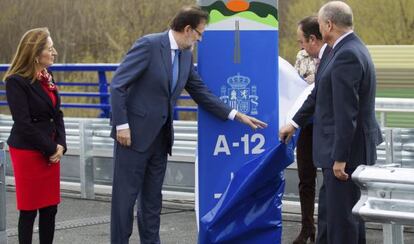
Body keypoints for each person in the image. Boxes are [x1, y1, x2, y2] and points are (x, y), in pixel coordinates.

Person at [109, 5, 267, 244]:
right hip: (132, 137)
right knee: (124, 201)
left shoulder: (185, 56)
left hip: (160, 140)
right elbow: (117, 85)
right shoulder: (149, 45)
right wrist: (122, 125)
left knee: (152, 202)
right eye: (199, 33)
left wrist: (235, 115)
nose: (200, 39)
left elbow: (200, 91)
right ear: (186, 29)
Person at [280, 2, 382, 244]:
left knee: (343, 222)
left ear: (329, 25)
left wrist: (340, 157)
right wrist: (294, 123)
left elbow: (346, 112)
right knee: (332, 216)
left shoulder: (346, 54)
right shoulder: (339, 50)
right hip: (338, 151)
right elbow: (317, 94)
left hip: (345, 153)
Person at [4, 27, 66, 244]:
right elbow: (22, 123)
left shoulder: (47, 76)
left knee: (50, 209)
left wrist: (61, 145)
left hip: (51, 149)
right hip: (28, 151)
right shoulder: (15, 81)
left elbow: (57, 114)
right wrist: (51, 149)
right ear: (36, 53)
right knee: (29, 210)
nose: (54, 52)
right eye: (50, 49)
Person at [292, 15, 328, 244]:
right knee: (305, 177)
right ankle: (307, 227)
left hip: (326, 124)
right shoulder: (301, 56)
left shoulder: (332, 55)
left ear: (313, 38)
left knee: (332, 177)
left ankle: (327, 226)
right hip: (306, 125)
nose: (300, 46)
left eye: (302, 40)